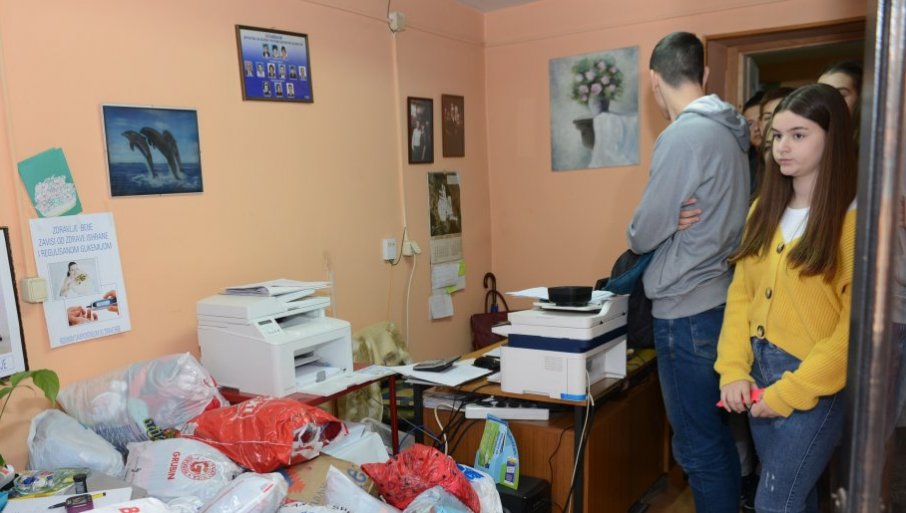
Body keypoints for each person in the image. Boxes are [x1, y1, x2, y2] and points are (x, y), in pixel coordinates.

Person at [715, 83, 858, 513]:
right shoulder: (763, 208)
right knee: (798, 496)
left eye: (799, 135)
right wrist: (733, 370)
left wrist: (788, 393)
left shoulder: (853, 220)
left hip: (814, 383)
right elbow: (741, 296)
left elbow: (852, 330)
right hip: (759, 375)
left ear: (832, 138)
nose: (782, 146)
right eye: (777, 135)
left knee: (775, 502)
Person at [627, 31, 750, 513]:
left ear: (655, 81)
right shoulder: (732, 131)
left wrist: (661, 220)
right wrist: (668, 217)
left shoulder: (683, 137)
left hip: (686, 311)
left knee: (698, 449)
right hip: (720, 299)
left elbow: (641, 233)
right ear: (704, 73)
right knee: (716, 441)